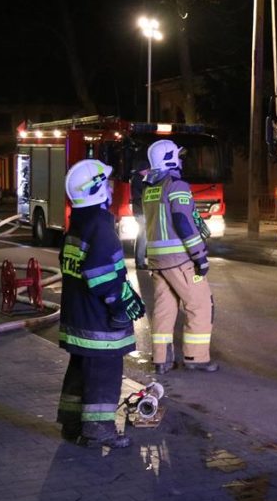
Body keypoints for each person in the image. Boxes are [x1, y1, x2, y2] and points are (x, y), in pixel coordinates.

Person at [56, 159, 146, 449]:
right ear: (95, 190)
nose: (109, 188)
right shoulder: (101, 227)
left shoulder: (78, 224)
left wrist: (124, 292)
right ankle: (98, 430)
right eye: (105, 183)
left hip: (78, 319)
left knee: (80, 372)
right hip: (99, 326)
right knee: (103, 375)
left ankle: (71, 423)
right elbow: (102, 277)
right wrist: (119, 309)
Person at [142, 139, 217, 374]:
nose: (181, 160)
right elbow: (183, 221)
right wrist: (199, 255)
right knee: (201, 305)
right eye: (178, 156)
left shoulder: (150, 187)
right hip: (179, 260)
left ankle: (161, 359)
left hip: (157, 260)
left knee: (164, 308)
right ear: (170, 159)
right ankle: (196, 357)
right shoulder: (176, 185)